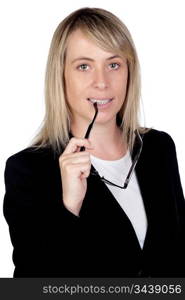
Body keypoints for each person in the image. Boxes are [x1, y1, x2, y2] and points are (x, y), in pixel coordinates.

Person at [3, 7, 185, 278]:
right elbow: (32, 285)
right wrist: (69, 207)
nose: (102, 82)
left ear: (128, 72)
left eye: (113, 64)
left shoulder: (158, 148)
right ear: (61, 76)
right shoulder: (28, 170)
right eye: (84, 66)